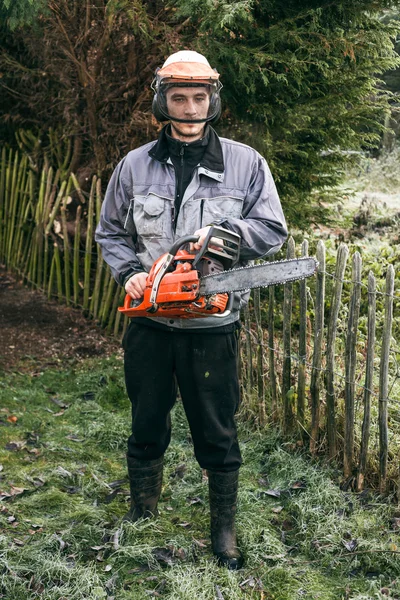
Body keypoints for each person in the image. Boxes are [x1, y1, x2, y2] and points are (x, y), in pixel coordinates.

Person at [95, 50, 287, 570]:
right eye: (178, 97)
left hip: (213, 325)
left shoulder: (246, 163)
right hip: (151, 324)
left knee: (217, 429)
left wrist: (222, 234)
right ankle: (143, 511)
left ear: (212, 100)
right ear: (163, 100)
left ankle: (222, 530)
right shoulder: (134, 165)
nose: (189, 108)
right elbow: (111, 232)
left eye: (198, 97)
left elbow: (272, 229)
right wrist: (130, 274)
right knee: (146, 419)